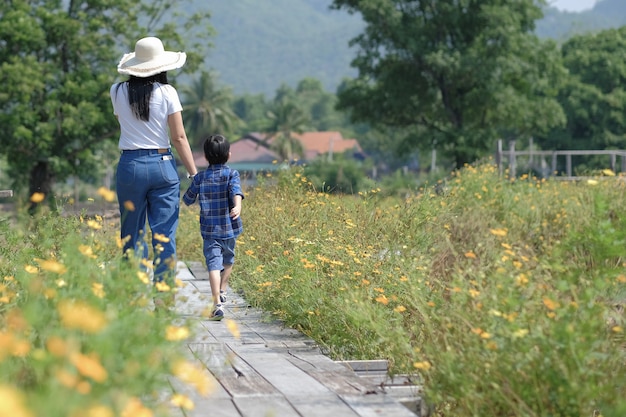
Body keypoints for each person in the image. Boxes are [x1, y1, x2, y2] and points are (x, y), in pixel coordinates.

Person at [110, 36, 198, 292]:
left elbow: (124, 120)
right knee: (163, 235)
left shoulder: (116, 91)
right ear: (161, 66)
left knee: (132, 233)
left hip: (130, 165)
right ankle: (163, 296)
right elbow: (179, 137)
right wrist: (194, 173)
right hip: (162, 165)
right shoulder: (168, 93)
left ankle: (134, 294)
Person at [183, 134, 244, 321]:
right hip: (230, 228)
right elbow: (236, 191)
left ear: (206, 157)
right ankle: (223, 289)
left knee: (213, 265)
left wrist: (193, 180)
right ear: (229, 155)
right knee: (229, 259)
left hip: (210, 231)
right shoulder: (232, 174)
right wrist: (237, 206)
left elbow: (187, 199)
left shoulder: (200, 178)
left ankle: (217, 303)